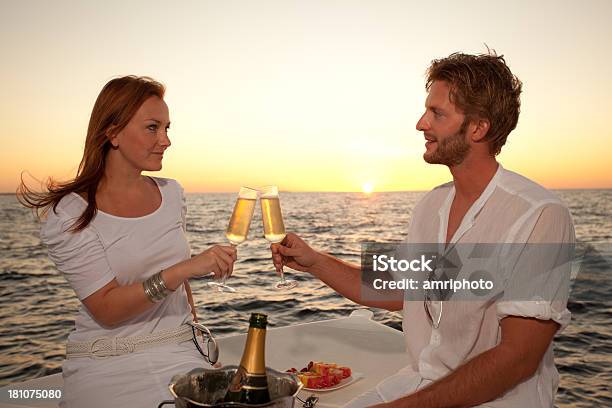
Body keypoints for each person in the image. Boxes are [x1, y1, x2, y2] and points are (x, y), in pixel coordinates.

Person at [271, 51, 575, 407]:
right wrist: (314, 261)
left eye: (437, 113)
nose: (420, 123)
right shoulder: (431, 206)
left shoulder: (540, 216)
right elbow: (397, 291)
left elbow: (518, 358)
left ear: (478, 128)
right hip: (419, 384)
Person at [18, 76, 237, 408]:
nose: (166, 140)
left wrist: (199, 351)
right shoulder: (72, 213)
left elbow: (181, 287)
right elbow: (107, 309)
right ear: (113, 133)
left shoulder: (172, 193)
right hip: (108, 364)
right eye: (153, 127)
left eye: (167, 128)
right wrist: (185, 269)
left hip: (179, 350)